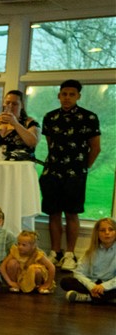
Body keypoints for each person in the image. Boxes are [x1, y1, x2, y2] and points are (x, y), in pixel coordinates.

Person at [40, 79, 102, 271]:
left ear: (78, 96)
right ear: (59, 95)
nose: (67, 98)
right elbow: (51, 144)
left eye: (71, 94)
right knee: (53, 213)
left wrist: (83, 168)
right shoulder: (50, 117)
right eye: (64, 94)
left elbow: (95, 148)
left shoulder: (89, 118)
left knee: (72, 213)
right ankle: (55, 252)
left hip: (75, 172)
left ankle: (69, 254)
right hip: (52, 171)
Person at [61, 217, 116, 304]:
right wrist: (91, 286)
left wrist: (104, 286)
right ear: (97, 233)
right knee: (65, 282)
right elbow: (78, 272)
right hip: (93, 283)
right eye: (102, 230)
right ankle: (107, 299)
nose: (107, 233)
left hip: (111, 284)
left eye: (111, 229)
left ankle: (87, 298)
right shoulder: (91, 251)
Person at [0, 230, 55, 295]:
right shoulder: (15, 251)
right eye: (18, 244)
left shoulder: (38, 254)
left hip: (33, 277)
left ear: (33, 246)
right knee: (12, 263)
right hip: (20, 277)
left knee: (36, 270)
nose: (20, 247)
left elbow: (52, 267)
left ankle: (37, 287)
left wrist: (47, 284)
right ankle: (15, 285)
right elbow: (2, 266)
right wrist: (9, 282)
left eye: (24, 245)